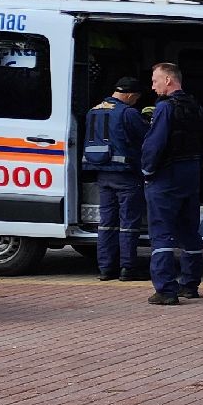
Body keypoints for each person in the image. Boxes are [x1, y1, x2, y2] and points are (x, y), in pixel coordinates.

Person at [140, 62, 203, 305]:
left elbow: (154, 143)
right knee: (189, 231)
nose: (153, 85)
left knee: (161, 232)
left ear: (168, 80)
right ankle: (190, 284)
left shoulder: (165, 108)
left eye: (155, 80)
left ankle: (166, 289)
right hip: (190, 174)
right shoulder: (194, 106)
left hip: (166, 175)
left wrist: (147, 171)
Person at [80, 77, 151, 281]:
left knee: (106, 223)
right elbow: (146, 137)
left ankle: (106, 268)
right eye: (136, 98)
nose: (136, 101)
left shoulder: (93, 111)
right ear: (129, 95)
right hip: (126, 175)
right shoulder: (128, 113)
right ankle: (128, 268)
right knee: (128, 223)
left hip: (102, 174)